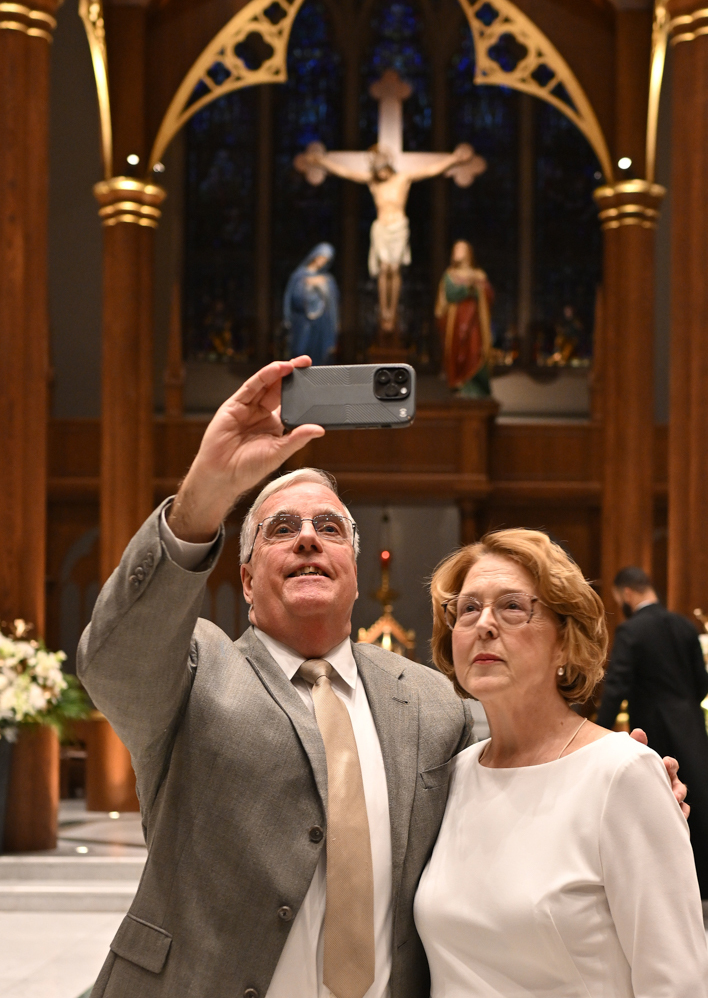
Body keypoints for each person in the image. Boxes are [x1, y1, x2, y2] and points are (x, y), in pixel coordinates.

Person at [77, 360, 687, 998]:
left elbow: (523, 762)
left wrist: (623, 786)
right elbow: (115, 659)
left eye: (330, 528)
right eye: (281, 529)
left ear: (355, 572)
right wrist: (205, 494)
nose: (308, 538)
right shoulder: (192, 669)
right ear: (248, 580)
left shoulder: (429, 699)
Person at [414, 530, 706, 998]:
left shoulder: (622, 773)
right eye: (468, 608)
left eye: (512, 606)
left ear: (565, 642)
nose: (484, 623)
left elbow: (678, 982)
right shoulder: (452, 775)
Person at [596, 565, 708, 897]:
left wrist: (596, 733)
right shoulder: (684, 625)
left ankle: (672, 887)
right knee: (700, 802)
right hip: (692, 726)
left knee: (664, 806)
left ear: (627, 593)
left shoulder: (631, 630)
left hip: (654, 730)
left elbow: (616, 687)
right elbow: (702, 682)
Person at [301, 142, 475, 333]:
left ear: (388, 167)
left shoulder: (403, 178)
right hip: (382, 228)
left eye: (383, 170)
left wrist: (453, 159)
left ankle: (393, 310)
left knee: (394, 268)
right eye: (378, 171)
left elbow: (430, 170)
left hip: (398, 227)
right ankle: (384, 310)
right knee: (384, 268)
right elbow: (346, 173)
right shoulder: (374, 182)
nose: (381, 175)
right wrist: (323, 161)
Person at [434, 240, 493, 396]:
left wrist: (479, 289)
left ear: (468, 253)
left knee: (475, 350)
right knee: (457, 352)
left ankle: (477, 388)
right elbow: (449, 294)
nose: (457, 252)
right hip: (456, 321)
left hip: (474, 322)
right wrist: (468, 289)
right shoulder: (450, 275)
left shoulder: (479, 275)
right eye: (455, 249)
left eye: (461, 249)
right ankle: (458, 383)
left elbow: (489, 295)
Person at [283, 243, 339, 366]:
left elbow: (332, 303)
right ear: (315, 255)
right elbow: (293, 297)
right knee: (300, 352)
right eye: (322, 257)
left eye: (326, 260)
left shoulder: (327, 279)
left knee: (319, 356)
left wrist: (322, 285)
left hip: (321, 324)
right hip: (302, 322)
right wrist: (308, 286)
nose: (323, 262)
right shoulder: (299, 276)